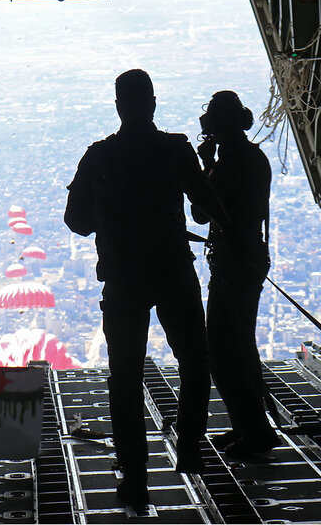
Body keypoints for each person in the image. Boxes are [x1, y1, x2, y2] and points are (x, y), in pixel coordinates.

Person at [64, 69, 229, 508]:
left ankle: (135, 476)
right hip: (174, 270)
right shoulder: (175, 149)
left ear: (119, 106)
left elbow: (76, 222)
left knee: (126, 379)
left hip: (123, 276)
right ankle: (191, 448)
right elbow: (206, 208)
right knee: (196, 362)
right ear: (152, 103)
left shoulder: (99, 157)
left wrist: (112, 217)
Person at [192, 90, 280, 458]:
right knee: (239, 345)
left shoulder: (228, 163)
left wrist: (204, 167)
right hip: (247, 258)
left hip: (234, 263)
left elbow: (200, 212)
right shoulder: (253, 156)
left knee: (225, 349)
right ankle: (248, 427)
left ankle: (255, 431)